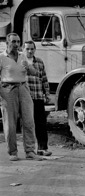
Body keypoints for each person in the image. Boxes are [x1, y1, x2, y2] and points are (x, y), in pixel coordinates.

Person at [0, 33, 42, 161]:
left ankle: (30, 151)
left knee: (29, 121)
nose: (16, 44)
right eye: (13, 42)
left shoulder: (23, 56)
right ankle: (13, 152)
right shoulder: (2, 57)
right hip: (8, 89)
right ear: (7, 43)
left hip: (23, 87)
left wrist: (28, 67)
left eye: (18, 42)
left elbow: (35, 73)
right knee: (10, 123)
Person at [23, 40, 52, 156]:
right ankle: (29, 150)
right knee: (28, 124)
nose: (30, 51)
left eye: (32, 49)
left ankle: (42, 148)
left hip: (38, 96)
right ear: (23, 49)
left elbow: (44, 78)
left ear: (35, 49)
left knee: (41, 123)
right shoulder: (20, 62)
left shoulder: (39, 62)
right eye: (27, 49)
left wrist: (47, 94)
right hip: (26, 98)